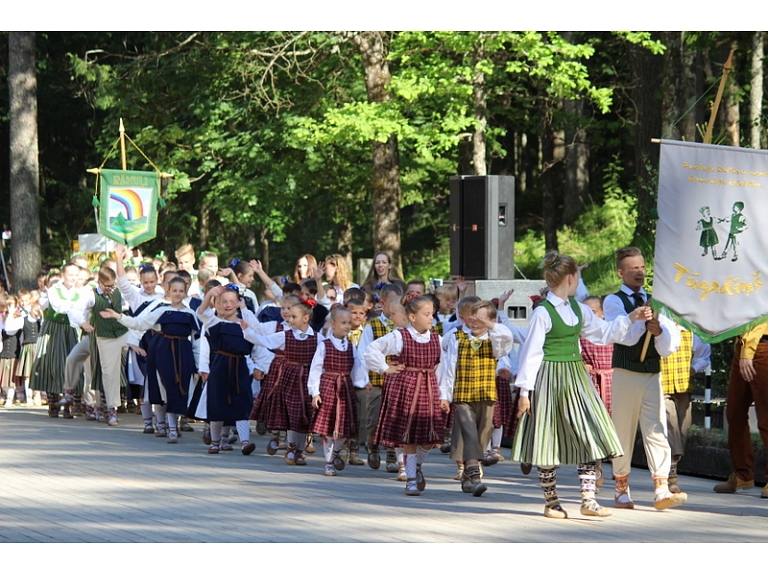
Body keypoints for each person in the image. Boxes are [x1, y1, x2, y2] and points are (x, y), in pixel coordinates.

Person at [512, 251, 653, 519]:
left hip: (576, 376)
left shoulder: (579, 309)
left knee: (590, 432)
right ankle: (551, 500)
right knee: (547, 437)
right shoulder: (543, 311)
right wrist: (525, 391)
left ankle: (588, 498)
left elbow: (604, 333)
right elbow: (531, 352)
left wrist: (631, 318)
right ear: (570, 277)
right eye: (577, 275)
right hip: (550, 377)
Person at [603, 246, 686, 511]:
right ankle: (621, 487)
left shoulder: (656, 300)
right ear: (621, 272)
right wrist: (638, 321)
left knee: (656, 429)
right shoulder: (614, 301)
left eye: (641, 267)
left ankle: (661, 488)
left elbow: (669, 345)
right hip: (627, 372)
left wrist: (659, 329)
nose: (639, 272)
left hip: (652, 372)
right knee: (623, 430)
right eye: (633, 268)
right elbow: (621, 335)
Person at [365, 295, 445, 496]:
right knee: (408, 436)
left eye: (432, 314)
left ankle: (415, 466)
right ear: (412, 316)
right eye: (426, 314)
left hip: (428, 389)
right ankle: (410, 479)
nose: (431, 318)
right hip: (406, 389)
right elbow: (371, 350)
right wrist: (384, 368)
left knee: (428, 438)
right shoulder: (399, 336)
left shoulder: (437, 339)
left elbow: (444, 368)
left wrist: (444, 395)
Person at [439, 299, 513, 496]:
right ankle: (475, 475)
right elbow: (448, 368)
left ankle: (467, 477)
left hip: (486, 394)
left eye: (481, 319)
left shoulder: (494, 339)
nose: (475, 322)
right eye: (473, 317)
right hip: (462, 394)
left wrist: (490, 325)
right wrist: (444, 396)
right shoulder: (456, 338)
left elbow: (506, 341)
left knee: (482, 435)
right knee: (469, 432)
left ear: (491, 320)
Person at [252, 299, 318, 466]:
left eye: (294, 316)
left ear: (305, 318)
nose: (289, 319)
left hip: (307, 381)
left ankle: (299, 451)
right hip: (290, 379)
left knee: (304, 417)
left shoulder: (318, 338)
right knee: (293, 414)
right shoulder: (285, 335)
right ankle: (290, 447)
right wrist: (247, 331)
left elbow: (322, 360)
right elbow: (265, 340)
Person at [194, 284, 256, 455]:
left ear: (238, 302)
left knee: (241, 404)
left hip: (240, 368)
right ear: (218, 305)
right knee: (217, 404)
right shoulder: (215, 323)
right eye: (223, 302)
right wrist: (209, 296)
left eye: (232, 301)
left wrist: (258, 367)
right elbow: (201, 313)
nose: (228, 305)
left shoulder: (245, 324)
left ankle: (245, 442)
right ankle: (215, 442)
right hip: (220, 367)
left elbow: (256, 344)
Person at [308, 306, 368, 476]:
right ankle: (328, 462)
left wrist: (364, 382)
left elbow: (357, 369)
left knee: (342, 428)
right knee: (329, 428)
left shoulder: (351, 347)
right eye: (343, 322)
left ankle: (335, 454)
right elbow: (315, 369)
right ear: (333, 323)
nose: (347, 326)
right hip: (328, 387)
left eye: (349, 323)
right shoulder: (324, 345)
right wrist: (315, 392)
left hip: (345, 390)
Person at [67, 265, 130, 426]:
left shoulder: (118, 292)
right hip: (98, 335)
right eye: (107, 285)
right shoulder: (91, 295)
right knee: (77, 360)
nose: (109, 289)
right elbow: (74, 309)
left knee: (111, 372)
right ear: (99, 282)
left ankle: (111, 409)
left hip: (119, 334)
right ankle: (72, 392)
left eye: (112, 285)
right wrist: (83, 323)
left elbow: (132, 301)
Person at [713, 323, 768, 498]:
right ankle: (743, 475)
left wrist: (747, 352)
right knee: (734, 412)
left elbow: (761, 316)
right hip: (743, 346)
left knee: (766, 418)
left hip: (763, 347)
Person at [357, 283, 404, 470]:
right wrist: (367, 377)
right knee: (374, 417)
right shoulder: (373, 325)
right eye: (392, 303)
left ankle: (392, 455)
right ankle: (373, 445)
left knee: (395, 417)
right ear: (383, 304)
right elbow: (363, 352)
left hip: (399, 381)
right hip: (378, 380)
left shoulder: (405, 328)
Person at [662, 325, 710, 493]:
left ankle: (672, 464)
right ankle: (672, 473)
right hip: (662, 386)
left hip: (684, 387)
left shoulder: (691, 331)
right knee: (670, 424)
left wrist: (694, 368)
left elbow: (704, 354)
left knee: (683, 429)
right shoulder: (660, 327)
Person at [30, 263, 82, 417]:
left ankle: (68, 403)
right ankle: (53, 401)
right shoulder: (54, 290)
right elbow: (59, 306)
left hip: (71, 329)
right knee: (53, 363)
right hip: (53, 329)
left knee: (72, 363)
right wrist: (74, 307)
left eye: (75, 275)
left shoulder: (80, 292)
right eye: (70, 274)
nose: (73, 278)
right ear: (63, 275)